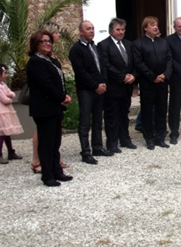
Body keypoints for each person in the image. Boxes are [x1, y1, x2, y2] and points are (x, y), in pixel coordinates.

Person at [26, 30, 73, 186]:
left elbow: (59, 81)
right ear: (35, 44)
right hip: (44, 108)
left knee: (55, 142)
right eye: (43, 41)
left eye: (49, 41)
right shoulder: (35, 62)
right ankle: (47, 176)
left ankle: (57, 171)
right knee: (46, 143)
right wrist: (61, 97)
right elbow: (46, 84)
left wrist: (64, 95)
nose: (47, 43)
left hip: (55, 107)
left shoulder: (50, 60)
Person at [69, 21, 113, 165]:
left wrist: (104, 83)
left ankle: (97, 146)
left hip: (100, 88)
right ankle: (85, 151)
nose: (91, 31)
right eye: (88, 29)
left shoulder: (95, 46)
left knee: (98, 120)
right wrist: (95, 86)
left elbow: (102, 66)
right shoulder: (76, 49)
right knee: (85, 121)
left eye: (93, 28)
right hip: (87, 90)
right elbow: (81, 72)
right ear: (81, 32)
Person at [97, 18, 137, 153]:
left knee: (124, 114)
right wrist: (122, 76)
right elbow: (106, 65)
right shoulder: (103, 45)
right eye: (118, 30)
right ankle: (112, 143)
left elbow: (134, 62)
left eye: (122, 29)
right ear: (111, 31)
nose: (121, 32)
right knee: (112, 115)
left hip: (126, 87)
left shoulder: (129, 44)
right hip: (113, 86)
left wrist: (133, 76)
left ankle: (125, 139)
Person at [133, 16, 172, 150]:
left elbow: (169, 60)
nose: (156, 27)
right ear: (145, 28)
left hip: (162, 82)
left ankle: (160, 138)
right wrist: (152, 76)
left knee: (162, 110)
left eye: (156, 25)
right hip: (148, 83)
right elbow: (139, 63)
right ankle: (149, 138)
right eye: (152, 25)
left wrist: (165, 75)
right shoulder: (139, 44)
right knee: (147, 111)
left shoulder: (164, 42)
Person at [0, 64, 23, 164]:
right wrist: (10, 96)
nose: (6, 75)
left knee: (7, 132)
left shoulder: (3, 85)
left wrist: (10, 95)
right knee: (2, 133)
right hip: (2, 112)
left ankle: (11, 151)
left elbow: (11, 93)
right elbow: (5, 100)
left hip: (6, 112)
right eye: (4, 73)